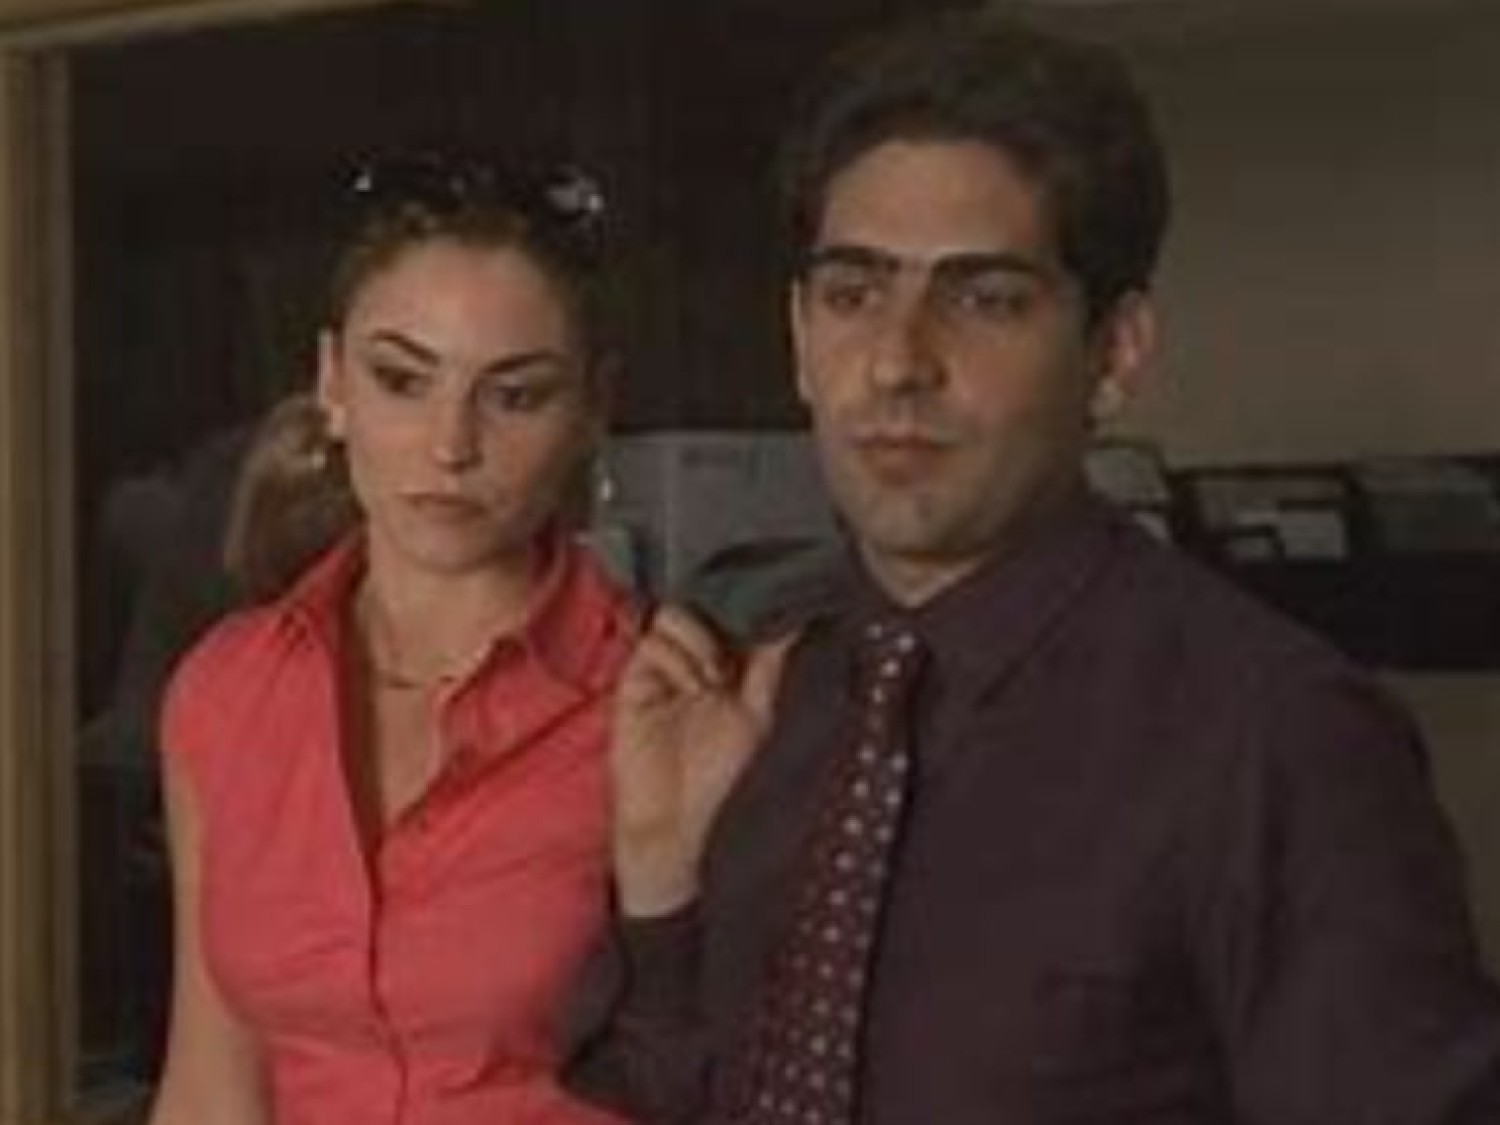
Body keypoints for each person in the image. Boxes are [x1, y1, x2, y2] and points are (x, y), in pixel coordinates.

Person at [563, 13, 1500, 1124]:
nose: (898, 361)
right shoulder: (760, 698)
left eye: (986, 299)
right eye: (854, 293)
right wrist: (662, 883)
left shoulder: (1276, 738)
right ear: (799, 335)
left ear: (1114, 352)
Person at [148, 152, 639, 1125]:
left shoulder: (657, 699)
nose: (450, 445)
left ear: (593, 410)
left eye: (515, 395)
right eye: (402, 379)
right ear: (333, 382)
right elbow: (211, 1088)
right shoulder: (226, 692)